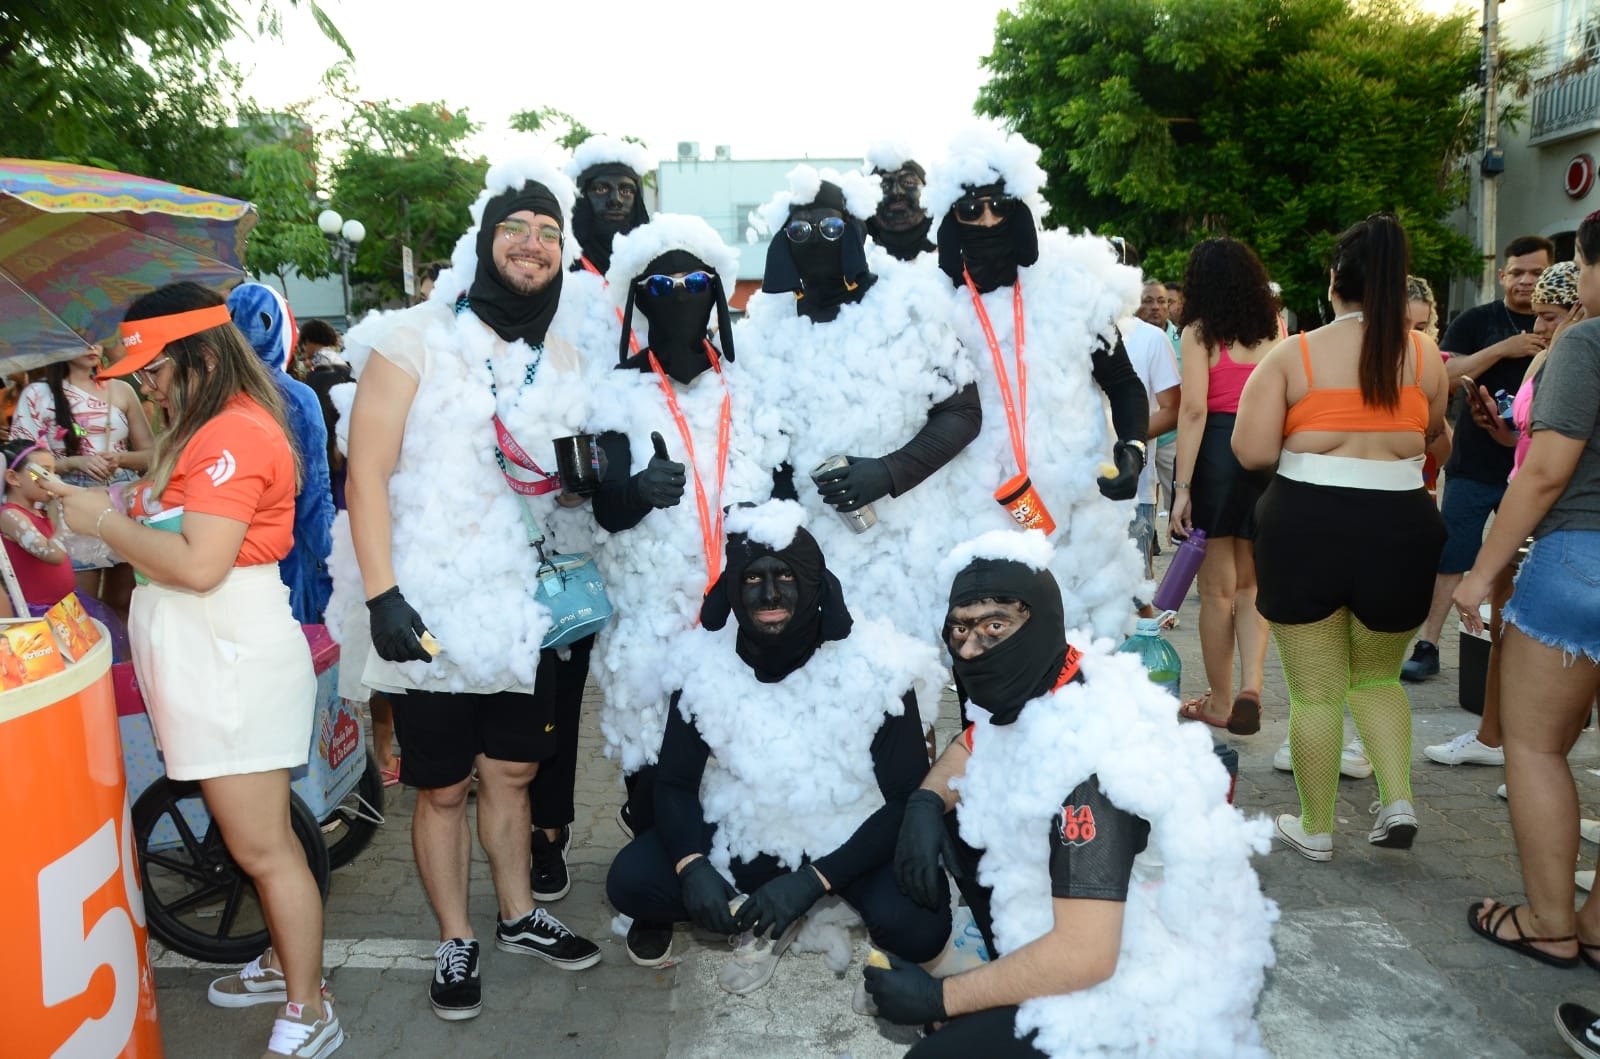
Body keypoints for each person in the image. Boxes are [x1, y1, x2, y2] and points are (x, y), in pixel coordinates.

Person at [332, 159, 603, 1022]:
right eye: (517, 228)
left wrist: (584, 484)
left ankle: (519, 914)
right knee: (444, 785)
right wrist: (383, 595)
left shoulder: (562, 354)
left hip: (521, 608)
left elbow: (556, 487)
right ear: (485, 241)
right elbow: (366, 476)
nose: (533, 244)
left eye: (550, 234)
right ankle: (456, 936)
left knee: (515, 770)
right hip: (431, 606)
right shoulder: (410, 338)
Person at [41, 282, 340, 1057]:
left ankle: (311, 1005)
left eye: (154, 370)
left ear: (200, 357)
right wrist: (78, 495)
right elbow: (164, 516)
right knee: (258, 840)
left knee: (262, 847)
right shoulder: (208, 426)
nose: (148, 386)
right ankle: (287, 960)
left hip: (230, 657)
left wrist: (101, 519)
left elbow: (201, 563)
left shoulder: (232, 432)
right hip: (211, 655)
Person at [870, 529, 1273, 1057]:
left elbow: (1086, 956)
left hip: (1140, 989)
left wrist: (942, 998)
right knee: (958, 803)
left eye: (995, 627)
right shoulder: (1061, 677)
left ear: (1041, 623)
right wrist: (926, 802)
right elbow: (977, 740)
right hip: (1086, 928)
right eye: (960, 629)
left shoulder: (1095, 768)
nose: (969, 649)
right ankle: (1003, 977)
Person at [605, 503, 949, 990]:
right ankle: (767, 916)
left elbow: (905, 803)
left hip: (851, 837)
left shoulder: (878, 666)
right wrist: (691, 864)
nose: (769, 594)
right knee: (631, 882)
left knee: (918, 924)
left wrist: (813, 881)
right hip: (751, 829)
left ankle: (808, 903)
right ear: (732, 589)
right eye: (752, 579)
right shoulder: (701, 664)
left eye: (785, 576)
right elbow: (676, 783)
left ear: (813, 584)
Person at [1233, 213, 1447, 861]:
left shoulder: (1293, 354)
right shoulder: (1425, 355)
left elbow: (1251, 451)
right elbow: (1435, 441)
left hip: (1308, 523)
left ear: (1334, 282)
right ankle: (1398, 799)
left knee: (1317, 690)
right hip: (1403, 525)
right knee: (1378, 679)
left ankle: (1317, 826)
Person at [583, 215, 774, 836]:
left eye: (694, 283)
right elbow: (606, 511)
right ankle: (656, 858)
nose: (680, 296)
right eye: (662, 287)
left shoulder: (749, 386)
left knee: (739, 748)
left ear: (716, 292)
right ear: (641, 299)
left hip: (742, 600)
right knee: (652, 745)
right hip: (652, 610)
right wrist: (638, 491)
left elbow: (783, 491)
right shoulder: (615, 393)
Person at [924, 123, 1149, 643]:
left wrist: (1133, 447)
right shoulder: (931, 302)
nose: (987, 219)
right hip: (970, 514)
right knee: (982, 654)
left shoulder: (1073, 287)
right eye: (971, 209)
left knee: (1078, 655)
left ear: (1021, 212)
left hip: (1073, 514)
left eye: (1000, 206)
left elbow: (1122, 381)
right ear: (951, 219)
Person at [735, 165, 979, 640]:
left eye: (830, 228)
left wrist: (888, 471)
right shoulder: (763, 328)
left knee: (909, 667)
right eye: (800, 231)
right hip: (809, 548)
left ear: (853, 233)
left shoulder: (909, 305)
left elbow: (963, 410)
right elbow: (754, 433)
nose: (816, 240)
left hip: (908, 536)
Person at [1454, 211, 1600, 970]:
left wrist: (1481, 573)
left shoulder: (1586, 342)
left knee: (1536, 747)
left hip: (1580, 560)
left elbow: (1545, 471)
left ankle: (1548, 921)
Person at [1425, 262, 1582, 770]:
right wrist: (1502, 429)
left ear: (1578, 310)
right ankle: (1494, 739)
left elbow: (1549, 468)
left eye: (1550, 316)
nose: (1538, 327)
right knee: (1504, 632)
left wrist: (1484, 568)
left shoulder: (1578, 358)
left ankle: (1536, 757)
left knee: (1553, 646)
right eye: (1536, 316)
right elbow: (1529, 443)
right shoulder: (1549, 359)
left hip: (1553, 519)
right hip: (1529, 503)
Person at [1402, 234, 1554, 683]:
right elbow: (1443, 374)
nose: (1526, 281)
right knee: (1451, 556)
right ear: (1503, 275)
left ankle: (1515, 648)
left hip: (1530, 469)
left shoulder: (1562, 326)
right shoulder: (1477, 321)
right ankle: (1428, 644)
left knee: (1522, 561)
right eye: (1518, 272)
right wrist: (1504, 349)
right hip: (1473, 466)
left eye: (1537, 272)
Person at [1167, 238, 1277, 733]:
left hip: (1215, 453)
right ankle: (1252, 687)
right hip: (1264, 454)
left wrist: (1181, 487)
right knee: (1252, 585)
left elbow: (1193, 411)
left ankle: (1220, 701)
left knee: (1216, 592)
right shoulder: (1274, 328)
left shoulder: (1199, 333)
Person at [11, 347, 155, 618]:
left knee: (125, 599)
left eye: (96, 340)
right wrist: (72, 463)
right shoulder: (37, 394)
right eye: (83, 341)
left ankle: (122, 647)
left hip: (121, 494)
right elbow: (22, 466)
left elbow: (151, 454)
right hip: (65, 498)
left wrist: (120, 459)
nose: (93, 347)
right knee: (79, 604)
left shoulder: (121, 390)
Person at [227, 283, 335, 624]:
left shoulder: (210, 396)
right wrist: (332, 560)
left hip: (226, 553)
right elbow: (315, 493)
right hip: (285, 551)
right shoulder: (297, 398)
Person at [1118, 304, 1180, 589]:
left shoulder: (1151, 338)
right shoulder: (1064, 332)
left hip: (1135, 489)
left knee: (1135, 590)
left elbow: (1172, 409)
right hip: (1071, 489)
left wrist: (1125, 441)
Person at [0, 438, 76, 612]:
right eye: (43, 472)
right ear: (13, 478)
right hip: (39, 611)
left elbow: (59, 541)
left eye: (54, 472)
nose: (53, 479)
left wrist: (57, 506)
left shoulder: (41, 512)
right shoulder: (10, 515)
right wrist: (64, 516)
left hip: (64, 606)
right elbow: (54, 555)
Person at [567, 136, 651, 278]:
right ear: (583, 198)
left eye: (626, 191)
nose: (615, 200)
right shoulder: (559, 264)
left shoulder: (657, 266)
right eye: (601, 189)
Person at [863, 142, 935, 262]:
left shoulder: (956, 258)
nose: (897, 192)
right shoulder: (859, 261)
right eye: (884, 186)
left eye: (908, 182)